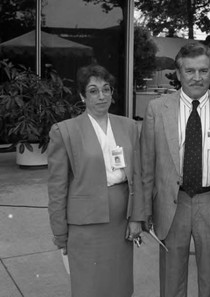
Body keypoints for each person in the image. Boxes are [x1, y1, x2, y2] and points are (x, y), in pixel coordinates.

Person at [140, 42, 210, 297]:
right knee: (171, 278)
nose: (197, 77)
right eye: (190, 71)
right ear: (178, 74)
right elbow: (147, 165)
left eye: (203, 70)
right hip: (171, 203)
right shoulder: (157, 108)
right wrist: (142, 211)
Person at [47, 64, 145, 297]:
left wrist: (137, 217)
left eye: (106, 89)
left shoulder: (129, 126)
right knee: (89, 287)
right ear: (82, 95)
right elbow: (57, 187)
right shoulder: (65, 131)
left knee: (119, 285)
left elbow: (138, 176)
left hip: (121, 221)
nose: (101, 96)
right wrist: (60, 232)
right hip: (86, 224)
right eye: (93, 90)